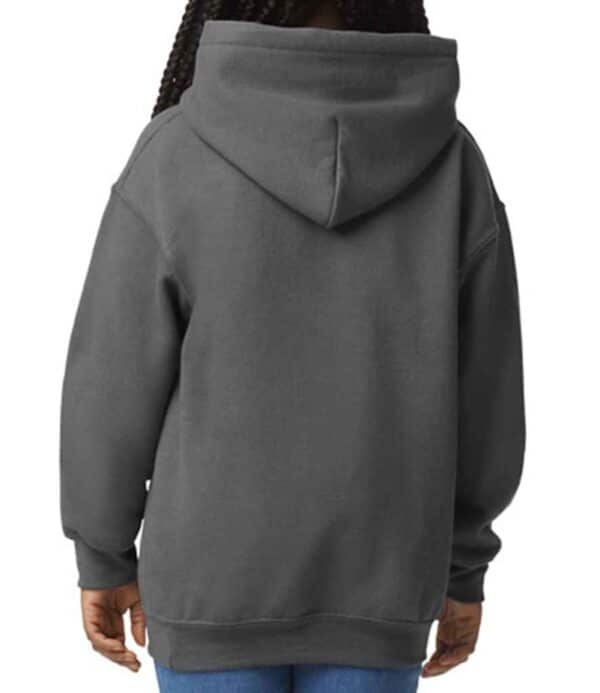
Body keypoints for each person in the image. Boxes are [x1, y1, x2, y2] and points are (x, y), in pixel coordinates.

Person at [59, 1, 526, 691]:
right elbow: (488, 396)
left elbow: (110, 385)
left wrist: (102, 555)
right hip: (384, 589)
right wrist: (464, 565)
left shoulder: (177, 149)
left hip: (210, 587)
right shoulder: (451, 160)